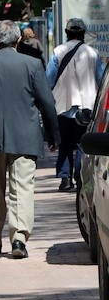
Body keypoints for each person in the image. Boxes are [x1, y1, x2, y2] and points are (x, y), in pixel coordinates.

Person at [0, 20, 60, 259]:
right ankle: (19, 239)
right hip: (25, 136)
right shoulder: (32, 64)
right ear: (18, 40)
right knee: (23, 188)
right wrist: (53, 135)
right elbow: (47, 103)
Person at [47, 18, 105, 192]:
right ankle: (80, 177)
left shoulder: (58, 52)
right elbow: (101, 80)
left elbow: (49, 79)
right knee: (82, 144)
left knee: (64, 144)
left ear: (67, 33)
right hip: (86, 106)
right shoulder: (92, 53)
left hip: (62, 106)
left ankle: (65, 179)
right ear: (83, 34)